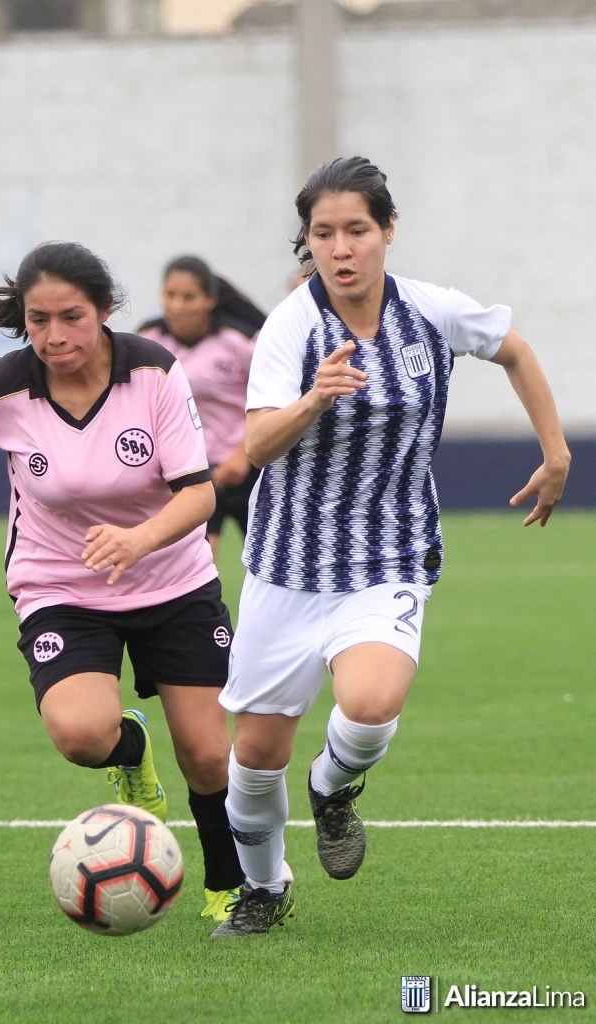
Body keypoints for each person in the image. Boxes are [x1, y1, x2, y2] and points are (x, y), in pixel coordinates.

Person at [211, 156, 571, 938]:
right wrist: (313, 398)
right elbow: (257, 445)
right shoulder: (291, 327)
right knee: (255, 759)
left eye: (356, 230)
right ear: (308, 240)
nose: (340, 249)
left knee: (371, 705)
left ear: (387, 231)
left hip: (390, 554)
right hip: (286, 566)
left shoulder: (430, 311)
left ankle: (332, 787)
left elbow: (513, 350)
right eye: (323, 234)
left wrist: (554, 451)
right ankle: (263, 887)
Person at [0, 240, 244, 922]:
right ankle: (129, 748)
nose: (54, 335)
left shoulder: (154, 371)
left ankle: (228, 888)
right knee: (79, 735)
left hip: (173, 580)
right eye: (37, 320)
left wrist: (139, 539)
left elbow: (198, 495)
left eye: (71, 316)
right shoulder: (1, 385)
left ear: (102, 310)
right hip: (60, 586)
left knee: (208, 755)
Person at [137, 255, 266, 559]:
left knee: (268, 562)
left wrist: (244, 453)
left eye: (189, 297)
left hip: (248, 470)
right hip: (190, 474)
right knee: (199, 563)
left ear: (210, 299)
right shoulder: (148, 342)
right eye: (170, 295)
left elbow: (271, 400)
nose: (177, 305)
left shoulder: (239, 342)